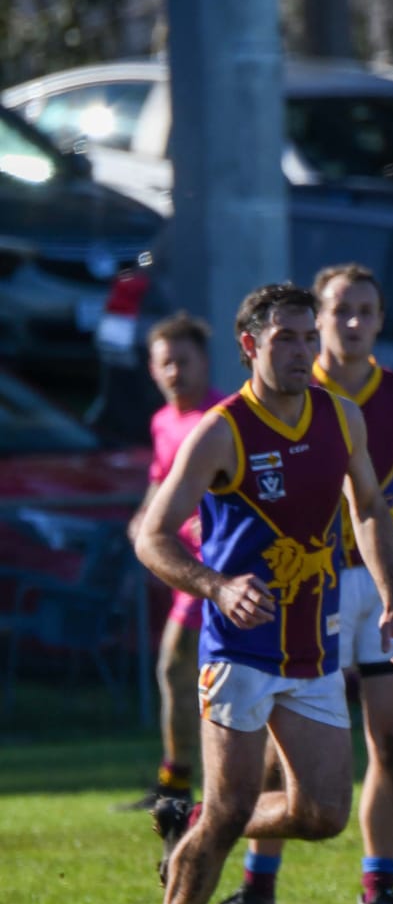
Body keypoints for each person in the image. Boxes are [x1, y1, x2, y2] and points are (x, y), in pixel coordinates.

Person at [133, 284, 393, 904]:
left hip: (312, 650)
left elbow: (368, 512)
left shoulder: (339, 415)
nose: (299, 351)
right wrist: (217, 586)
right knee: (230, 808)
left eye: (303, 336)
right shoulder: (224, 430)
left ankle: (195, 823)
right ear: (250, 347)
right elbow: (152, 535)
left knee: (321, 812)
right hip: (237, 651)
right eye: (284, 338)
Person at [205, 264, 393, 904]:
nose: (352, 323)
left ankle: (380, 885)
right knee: (274, 741)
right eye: (340, 310)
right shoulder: (285, 390)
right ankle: (257, 885)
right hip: (304, 583)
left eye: (366, 311)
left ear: (380, 320)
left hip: (389, 577)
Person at [123, 313, 225, 812]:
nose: (175, 372)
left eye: (184, 361)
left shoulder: (221, 417)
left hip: (221, 571)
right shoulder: (164, 421)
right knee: (176, 671)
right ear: (152, 368)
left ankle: (208, 787)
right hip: (183, 569)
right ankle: (177, 784)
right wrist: (145, 516)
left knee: (205, 678)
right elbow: (161, 478)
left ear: (204, 362)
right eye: (167, 362)